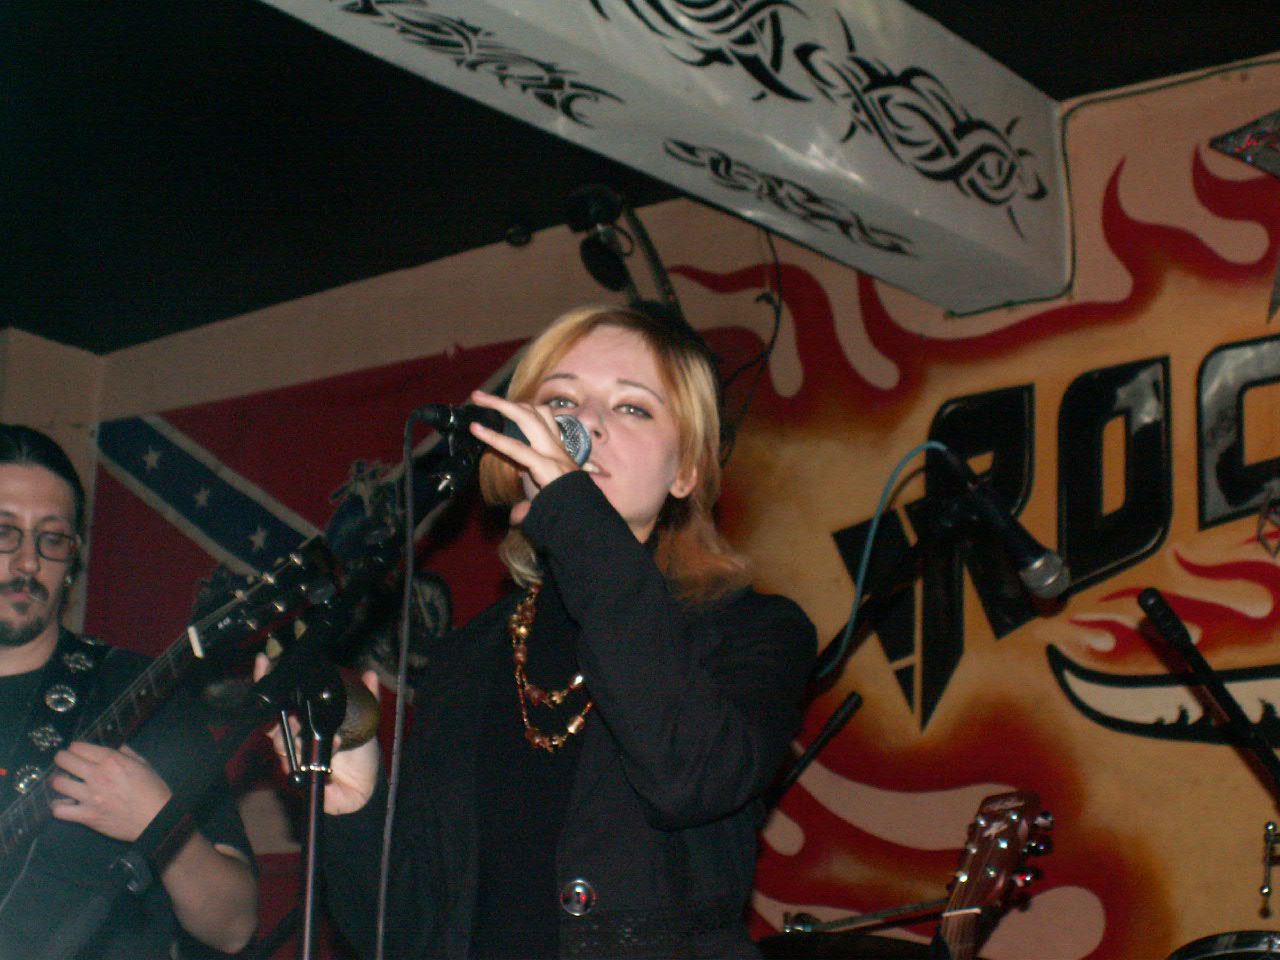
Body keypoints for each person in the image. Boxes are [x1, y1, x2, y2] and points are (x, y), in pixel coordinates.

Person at [264, 303, 817, 959]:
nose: (586, 424)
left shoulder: (754, 632)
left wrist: (576, 514)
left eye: (632, 408)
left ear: (685, 471)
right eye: (560, 402)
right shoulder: (469, 658)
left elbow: (688, 778)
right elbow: (411, 938)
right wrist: (355, 807)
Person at [0, 424, 258, 959]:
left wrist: (158, 823)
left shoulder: (137, 694)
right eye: (3, 532)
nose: (27, 562)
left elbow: (234, 925)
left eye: (52, 539)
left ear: (73, 562)